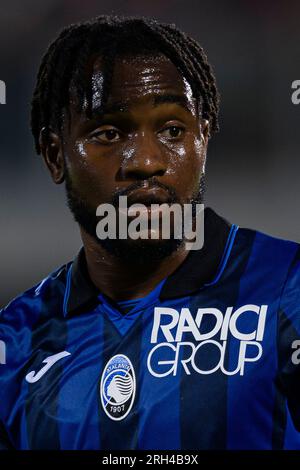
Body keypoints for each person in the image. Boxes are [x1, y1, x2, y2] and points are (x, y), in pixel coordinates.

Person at [0, 14, 299, 451]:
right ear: (53, 155)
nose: (145, 160)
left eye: (173, 130)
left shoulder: (288, 290)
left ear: (205, 138)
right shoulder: (15, 344)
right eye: (108, 133)